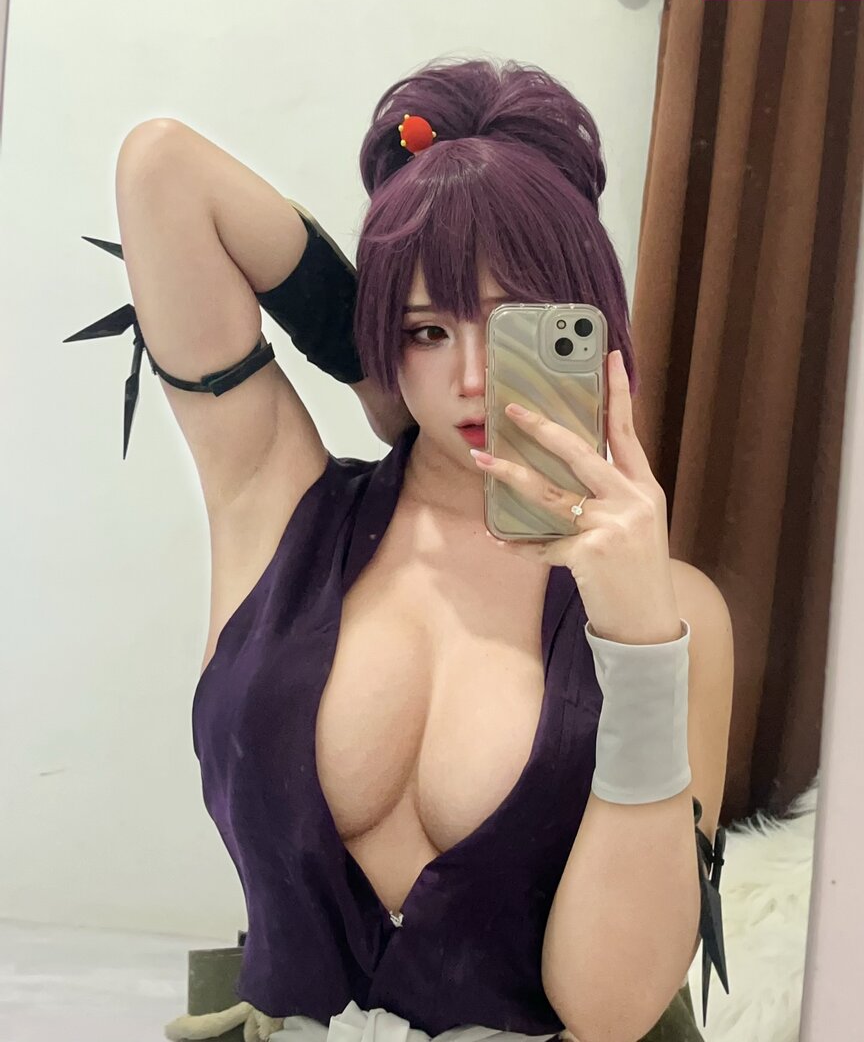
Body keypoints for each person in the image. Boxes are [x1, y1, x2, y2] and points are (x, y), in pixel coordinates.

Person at [67, 56, 731, 1042]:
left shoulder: (676, 614)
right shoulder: (280, 503)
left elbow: (612, 1010)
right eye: (427, 331)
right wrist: (370, 365)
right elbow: (164, 172)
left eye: (514, 325)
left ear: (585, 327)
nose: (470, 377)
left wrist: (638, 640)